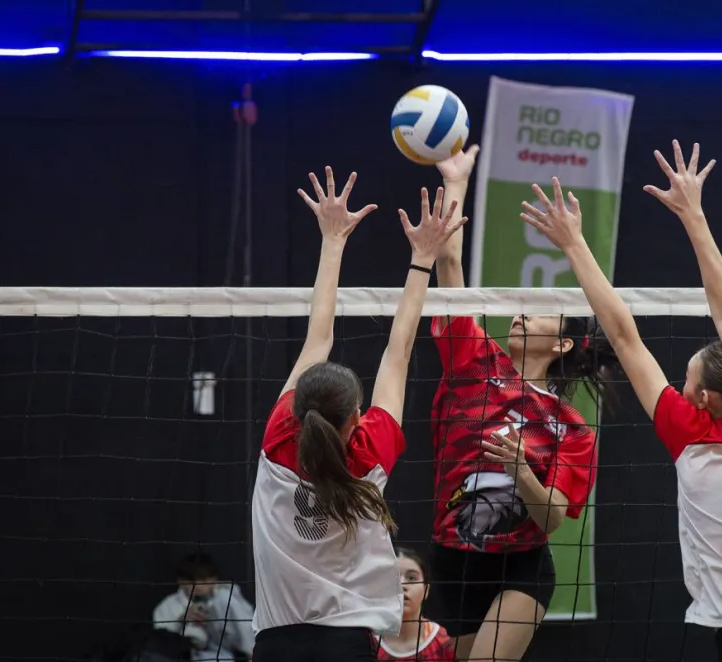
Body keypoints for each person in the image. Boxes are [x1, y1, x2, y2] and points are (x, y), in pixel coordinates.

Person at [519, 141, 722, 662]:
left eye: (686, 378)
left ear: (706, 399)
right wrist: (695, 215)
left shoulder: (689, 433)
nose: (679, 382)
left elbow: (624, 336)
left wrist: (574, 245)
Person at [250, 167, 468, 662]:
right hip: (346, 646)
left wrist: (331, 239)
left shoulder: (278, 435)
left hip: (275, 647)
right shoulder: (369, 454)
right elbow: (400, 349)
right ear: (357, 419)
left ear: (300, 407)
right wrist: (422, 259)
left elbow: (317, 336)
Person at [427, 148, 621, 662]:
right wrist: (455, 184)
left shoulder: (571, 428)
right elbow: (448, 263)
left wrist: (520, 471)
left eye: (538, 317)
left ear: (560, 345)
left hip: (522, 565)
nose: (522, 318)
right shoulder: (474, 363)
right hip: (452, 558)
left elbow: (554, 516)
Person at [151, 552, 255, 661]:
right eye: (192, 581)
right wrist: (181, 620)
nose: (198, 586)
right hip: (188, 655)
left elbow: (247, 624)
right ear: (181, 582)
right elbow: (159, 640)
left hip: (228, 650)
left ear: (214, 580)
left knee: (224, 600)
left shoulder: (226, 596)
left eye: (204, 580)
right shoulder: (169, 604)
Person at [376, 548, 456, 662]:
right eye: (394, 578)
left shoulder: (441, 640)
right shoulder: (366, 639)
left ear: (426, 590)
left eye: (412, 578)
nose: (402, 585)